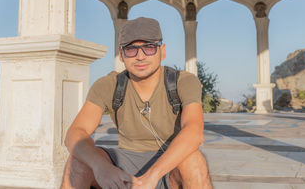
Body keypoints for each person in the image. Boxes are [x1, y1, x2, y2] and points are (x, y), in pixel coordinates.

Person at [61, 17, 212, 189]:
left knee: (194, 161)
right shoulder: (109, 85)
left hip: (169, 164)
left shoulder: (182, 82)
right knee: (78, 162)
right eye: (131, 49)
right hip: (124, 162)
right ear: (121, 54)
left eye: (149, 47)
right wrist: (101, 167)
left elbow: (194, 132)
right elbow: (75, 133)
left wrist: (153, 175)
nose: (140, 56)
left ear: (162, 51)